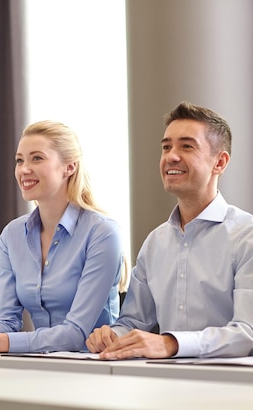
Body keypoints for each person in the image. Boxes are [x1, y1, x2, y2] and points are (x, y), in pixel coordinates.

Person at [86, 101, 253, 359]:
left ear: (219, 162)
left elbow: (247, 333)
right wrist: (111, 337)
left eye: (186, 146)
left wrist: (172, 344)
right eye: (166, 147)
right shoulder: (155, 242)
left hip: (231, 389)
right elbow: (133, 322)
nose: (171, 156)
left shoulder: (247, 236)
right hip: (163, 384)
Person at [0, 120, 124, 354]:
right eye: (19, 160)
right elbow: (6, 321)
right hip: (40, 365)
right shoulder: (12, 235)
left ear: (69, 167)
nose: (24, 169)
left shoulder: (102, 233)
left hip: (94, 368)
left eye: (37, 158)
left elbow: (75, 333)